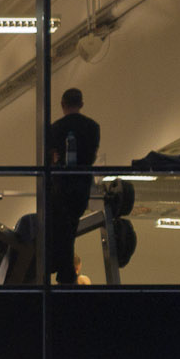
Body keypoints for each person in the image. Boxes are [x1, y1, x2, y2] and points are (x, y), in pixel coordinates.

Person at [45, 88, 100, 286]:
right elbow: (92, 156)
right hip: (82, 185)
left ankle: (62, 272)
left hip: (61, 185)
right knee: (70, 227)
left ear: (62, 105)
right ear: (81, 104)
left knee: (62, 229)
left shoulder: (55, 128)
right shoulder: (93, 127)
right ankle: (64, 273)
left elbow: (50, 159)